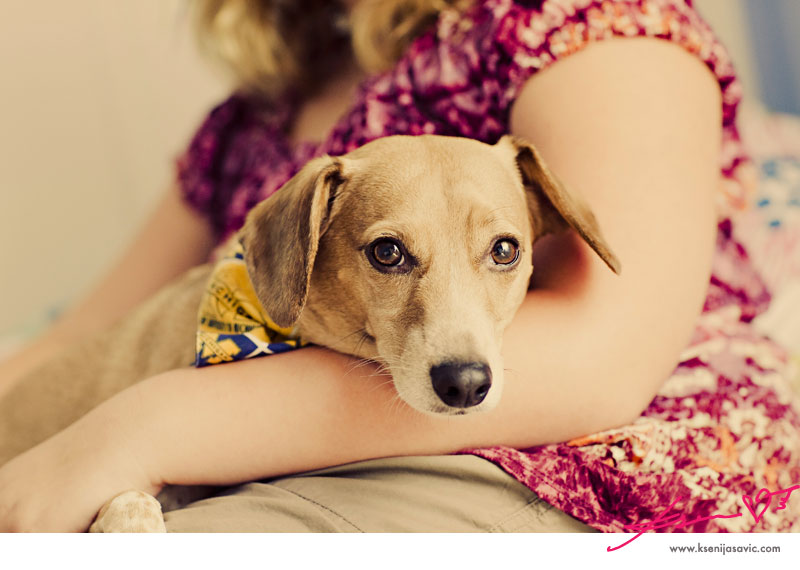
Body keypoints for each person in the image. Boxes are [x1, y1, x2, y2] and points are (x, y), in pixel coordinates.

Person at [1, 0, 798, 532]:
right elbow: (77, 337)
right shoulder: (258, 110)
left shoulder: (586, 21)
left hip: (559, 459)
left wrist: (145, 429)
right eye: (388, 252)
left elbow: (606, 354)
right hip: (260, 459)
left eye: (501, 250)